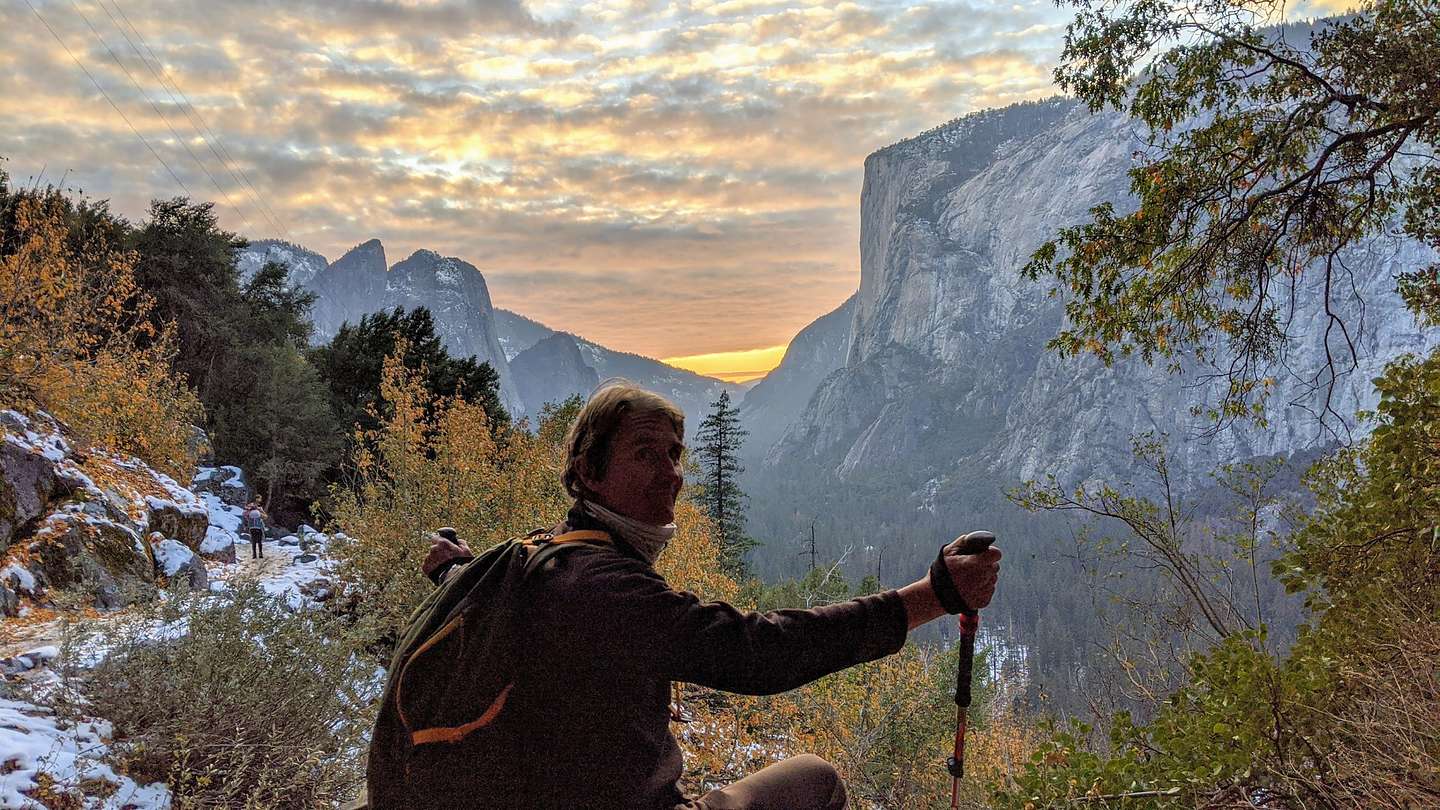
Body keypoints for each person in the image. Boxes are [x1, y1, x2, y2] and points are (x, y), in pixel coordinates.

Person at [409, 382, 1001, 810]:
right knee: (816, 781)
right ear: (590, 472)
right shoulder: (605, 587)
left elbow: (517, 601)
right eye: (645, 454)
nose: (671, 473)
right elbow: (756, 652)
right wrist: (933, 596)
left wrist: (457, 569)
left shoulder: (543, 557)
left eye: (674, 453)